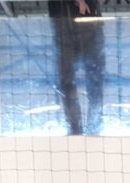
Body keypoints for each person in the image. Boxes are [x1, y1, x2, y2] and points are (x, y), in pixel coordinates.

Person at [48, 0, 105, 135]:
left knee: (93, 80)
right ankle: (77, 128)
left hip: (86, 22)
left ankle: (92, 128)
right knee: (69, 81)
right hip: (65, 22)